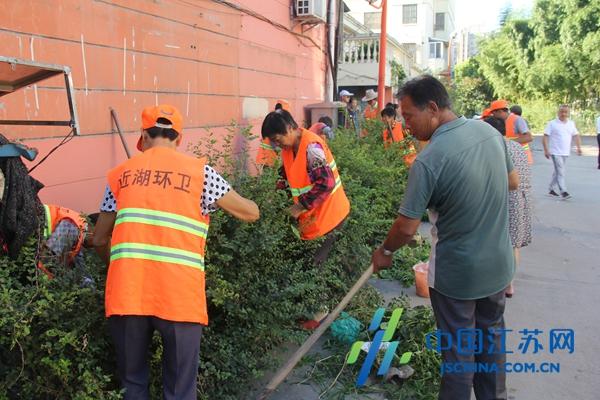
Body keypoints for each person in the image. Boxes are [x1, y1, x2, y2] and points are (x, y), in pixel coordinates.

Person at [92, 104, 260, 400]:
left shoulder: (119, 176)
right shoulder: (202, 175)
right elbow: (250, 212)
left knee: (132, 383)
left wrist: (116, 265)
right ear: (179, 138)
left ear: (142, 136)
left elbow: (99, 238)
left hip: (128, 293)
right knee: (180, 390)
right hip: (179, 297)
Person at [371, 75, 518, 400]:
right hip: (497, 266)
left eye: (408, 115)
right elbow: (513, 181)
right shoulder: (488, 133)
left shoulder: (428, 160)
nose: (405, 124)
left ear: (433, 108)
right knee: (490, 340)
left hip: (457, 277)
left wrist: (385, 251)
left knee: (459, 355)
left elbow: (407, 228)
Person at [484, 117, 532, 298]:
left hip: (506, 198)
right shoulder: (517, 147)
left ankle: (501, 282)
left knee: (500, 242)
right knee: (514, 244)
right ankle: (509, 284)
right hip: (522, 198)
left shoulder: (495, 148)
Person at [543, 104, 583, 199]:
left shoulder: (571, 123)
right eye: (561, 112)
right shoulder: (552, 123)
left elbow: (576, 136)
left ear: (568, 113)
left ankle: (551, 189)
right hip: (555, 152)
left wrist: (579, 147)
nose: (563, 114)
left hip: (565, 152)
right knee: (560, 171)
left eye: (565, 112)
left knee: (557, 171)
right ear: (558, 112)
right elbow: (545, 137)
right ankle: (563, 191)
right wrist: (546, 150)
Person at [256, 99, 290, 167]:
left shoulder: (272, 118)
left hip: (266, 156)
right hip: (270, 157)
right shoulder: (278, 122)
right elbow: (275, 142)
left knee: (267, 176)